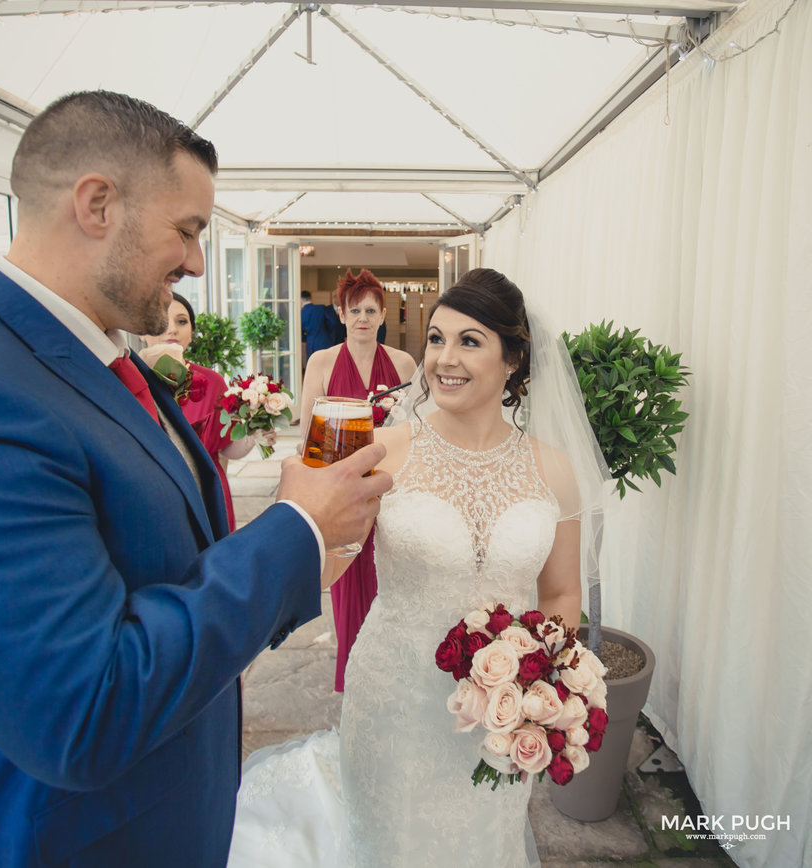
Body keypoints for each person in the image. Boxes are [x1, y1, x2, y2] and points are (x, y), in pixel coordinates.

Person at [0, 90, 391, 868]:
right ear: (97, 205)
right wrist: (293, 531)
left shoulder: (103, 365)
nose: (197, 260)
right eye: (188, 230)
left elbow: (168, 571)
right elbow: (82, 710)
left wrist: (307, 552)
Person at [229, 268, 610, 866]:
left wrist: (537, 685)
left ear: (514, 358)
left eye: (469, 341)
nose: (444, 359)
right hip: (394, 700)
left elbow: (561, 592)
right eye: (435, 338)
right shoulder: (382, 448)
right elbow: (327, 565)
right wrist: (295, 534)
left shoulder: (554, 470)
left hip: (502, 721)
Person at [300, 268, 417, 691]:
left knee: (393, 587)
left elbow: (417, 429)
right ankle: (356, 686)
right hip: (344, 493)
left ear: (383, 314)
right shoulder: (322, 362)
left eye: (371, 309)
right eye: (355, 310)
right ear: (341, 313)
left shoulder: (403, 363)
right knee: (349, 589)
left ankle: (391, 681)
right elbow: (306, 435)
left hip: (392, 491)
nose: (363, 317)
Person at [140, 291, 270, 531]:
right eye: (162, 321)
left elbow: (226, 449)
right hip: (152, 497)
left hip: (207, 490)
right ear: (142, 331)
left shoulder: (211, 381)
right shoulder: (129, 380)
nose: (172, 330)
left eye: (182, 321)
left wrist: (254, 432)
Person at [300, 289, 343, 361]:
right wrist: (328, 334)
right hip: (326, 342)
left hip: (311, 345)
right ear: (311, 298)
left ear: (301, 300)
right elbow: (333, 322)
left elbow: (300, 332)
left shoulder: (301, 313)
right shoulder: (321, 308)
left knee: (313, 366)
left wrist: (307, 337)